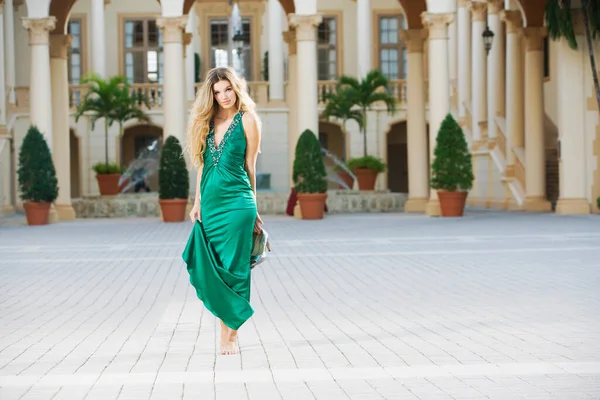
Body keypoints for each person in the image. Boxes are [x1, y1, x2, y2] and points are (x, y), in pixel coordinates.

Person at [182, 66, 263, 356]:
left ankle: (230, 336)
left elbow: (250, 166)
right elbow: (201, 166)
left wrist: (254, 209)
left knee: (236, 268)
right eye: (218, 92)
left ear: (236, 88)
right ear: (211, 95)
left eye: (228, 89)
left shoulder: (248, 120)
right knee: (216, 269)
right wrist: (196, 202)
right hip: (212, 207)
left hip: (239, 204)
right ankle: (225, 330)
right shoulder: (205, 122)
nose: (224, 96)